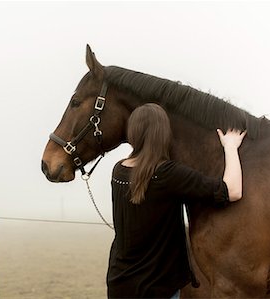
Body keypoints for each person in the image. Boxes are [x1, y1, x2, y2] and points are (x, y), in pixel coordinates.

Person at [106, 103, 247, 299]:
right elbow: (232, 191)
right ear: (164, 134)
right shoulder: (168, 174)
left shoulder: (118, 171)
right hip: (158, 289)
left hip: (119, 285)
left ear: (133, 133)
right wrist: (230, 148)